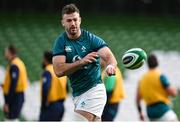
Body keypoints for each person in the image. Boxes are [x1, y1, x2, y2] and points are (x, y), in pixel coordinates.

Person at [52, 4, 117, 122]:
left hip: (94, 90)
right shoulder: (60, 42)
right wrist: (81, 62)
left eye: (75, 20)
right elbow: (58, 70)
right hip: (78, 94)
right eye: (69, 20)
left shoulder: (90, 39)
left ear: (80, 20)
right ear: (63, 22)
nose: (73, 23)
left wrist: (111, 66)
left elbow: (109, 56)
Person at [136, 54, 178, 121]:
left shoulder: (141, 80)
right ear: (157, 62)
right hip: (163, 110)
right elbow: (173, 93)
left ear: (148, 64)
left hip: (150, 113)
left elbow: (137, 100)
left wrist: (140, 113)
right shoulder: (160, 76)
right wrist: (174, 90)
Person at [2, 45, 28, 120]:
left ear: (10, 52)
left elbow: (14, 84)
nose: (5, 54)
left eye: (6, 52)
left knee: (11, 119)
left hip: (15, 97)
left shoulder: (14, 65)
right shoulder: (19, 62)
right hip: (17, 95)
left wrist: (7, 102)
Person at [39, 51, 67, 121]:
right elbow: (66, 89)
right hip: (61, 106)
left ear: (46, 59)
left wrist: (43, 105)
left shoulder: (48, 70)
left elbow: (45, 88)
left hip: (51, 106)